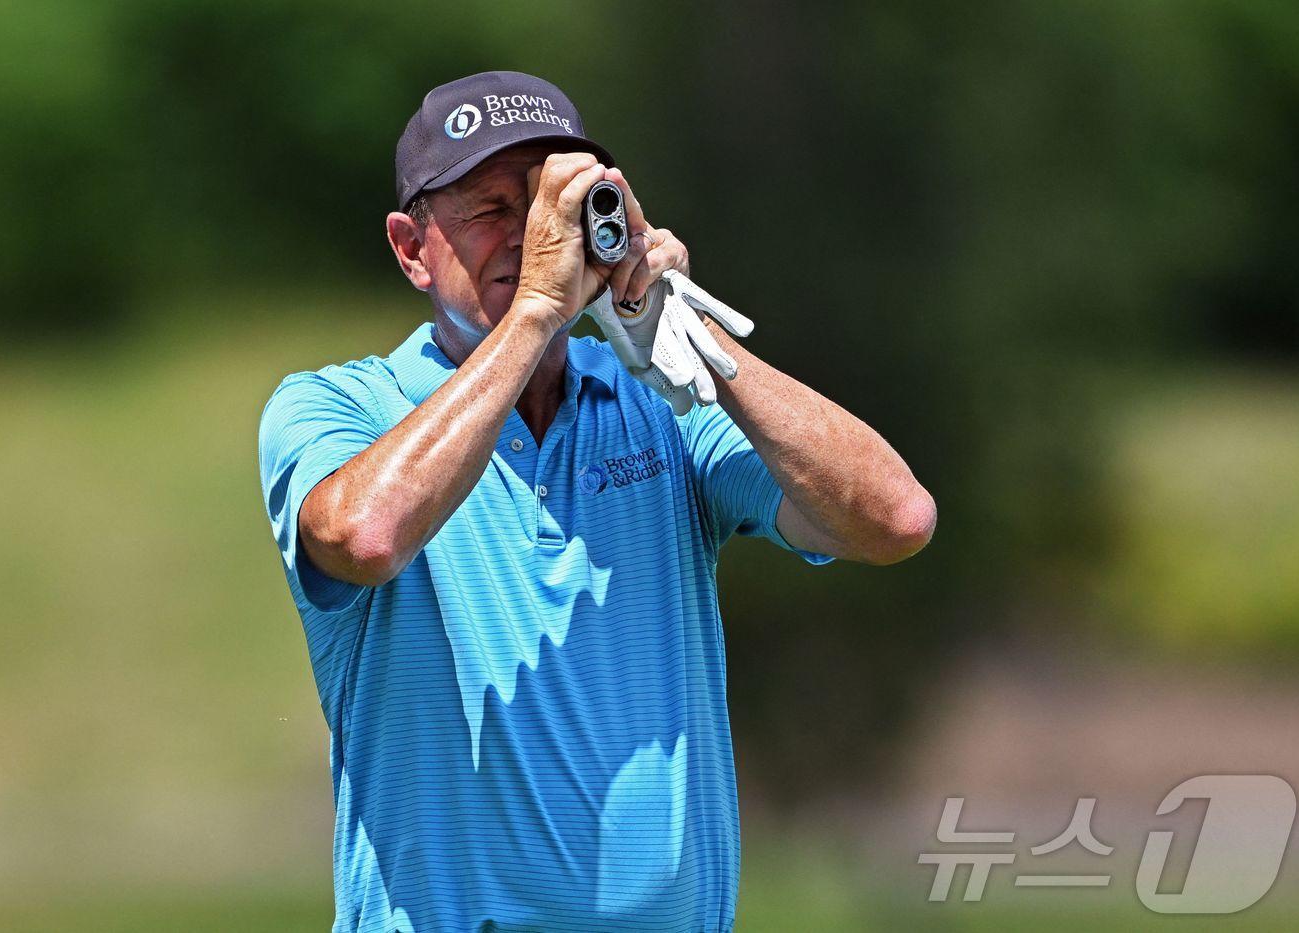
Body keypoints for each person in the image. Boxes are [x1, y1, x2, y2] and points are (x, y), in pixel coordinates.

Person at [258, 70, 935, 933]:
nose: (531, 238)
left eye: (551, 203)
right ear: (411, 246)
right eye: (491, 208)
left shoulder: (664, 402)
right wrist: (537, 313)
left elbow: (893, 519)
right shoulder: (338, 409)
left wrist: (694, 339)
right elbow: (367, 534)